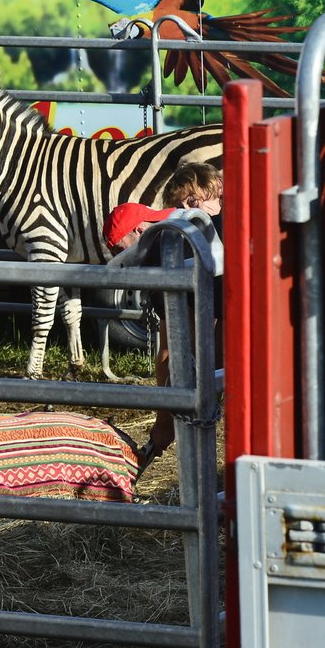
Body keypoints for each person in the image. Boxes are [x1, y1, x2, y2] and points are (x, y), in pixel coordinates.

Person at [104, 162, 224, 471]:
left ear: (140, 231)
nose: (132, 264)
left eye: (125, 248)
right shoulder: (216, 224)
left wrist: (163, 422)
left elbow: (177, 348)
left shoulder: (162, 246)